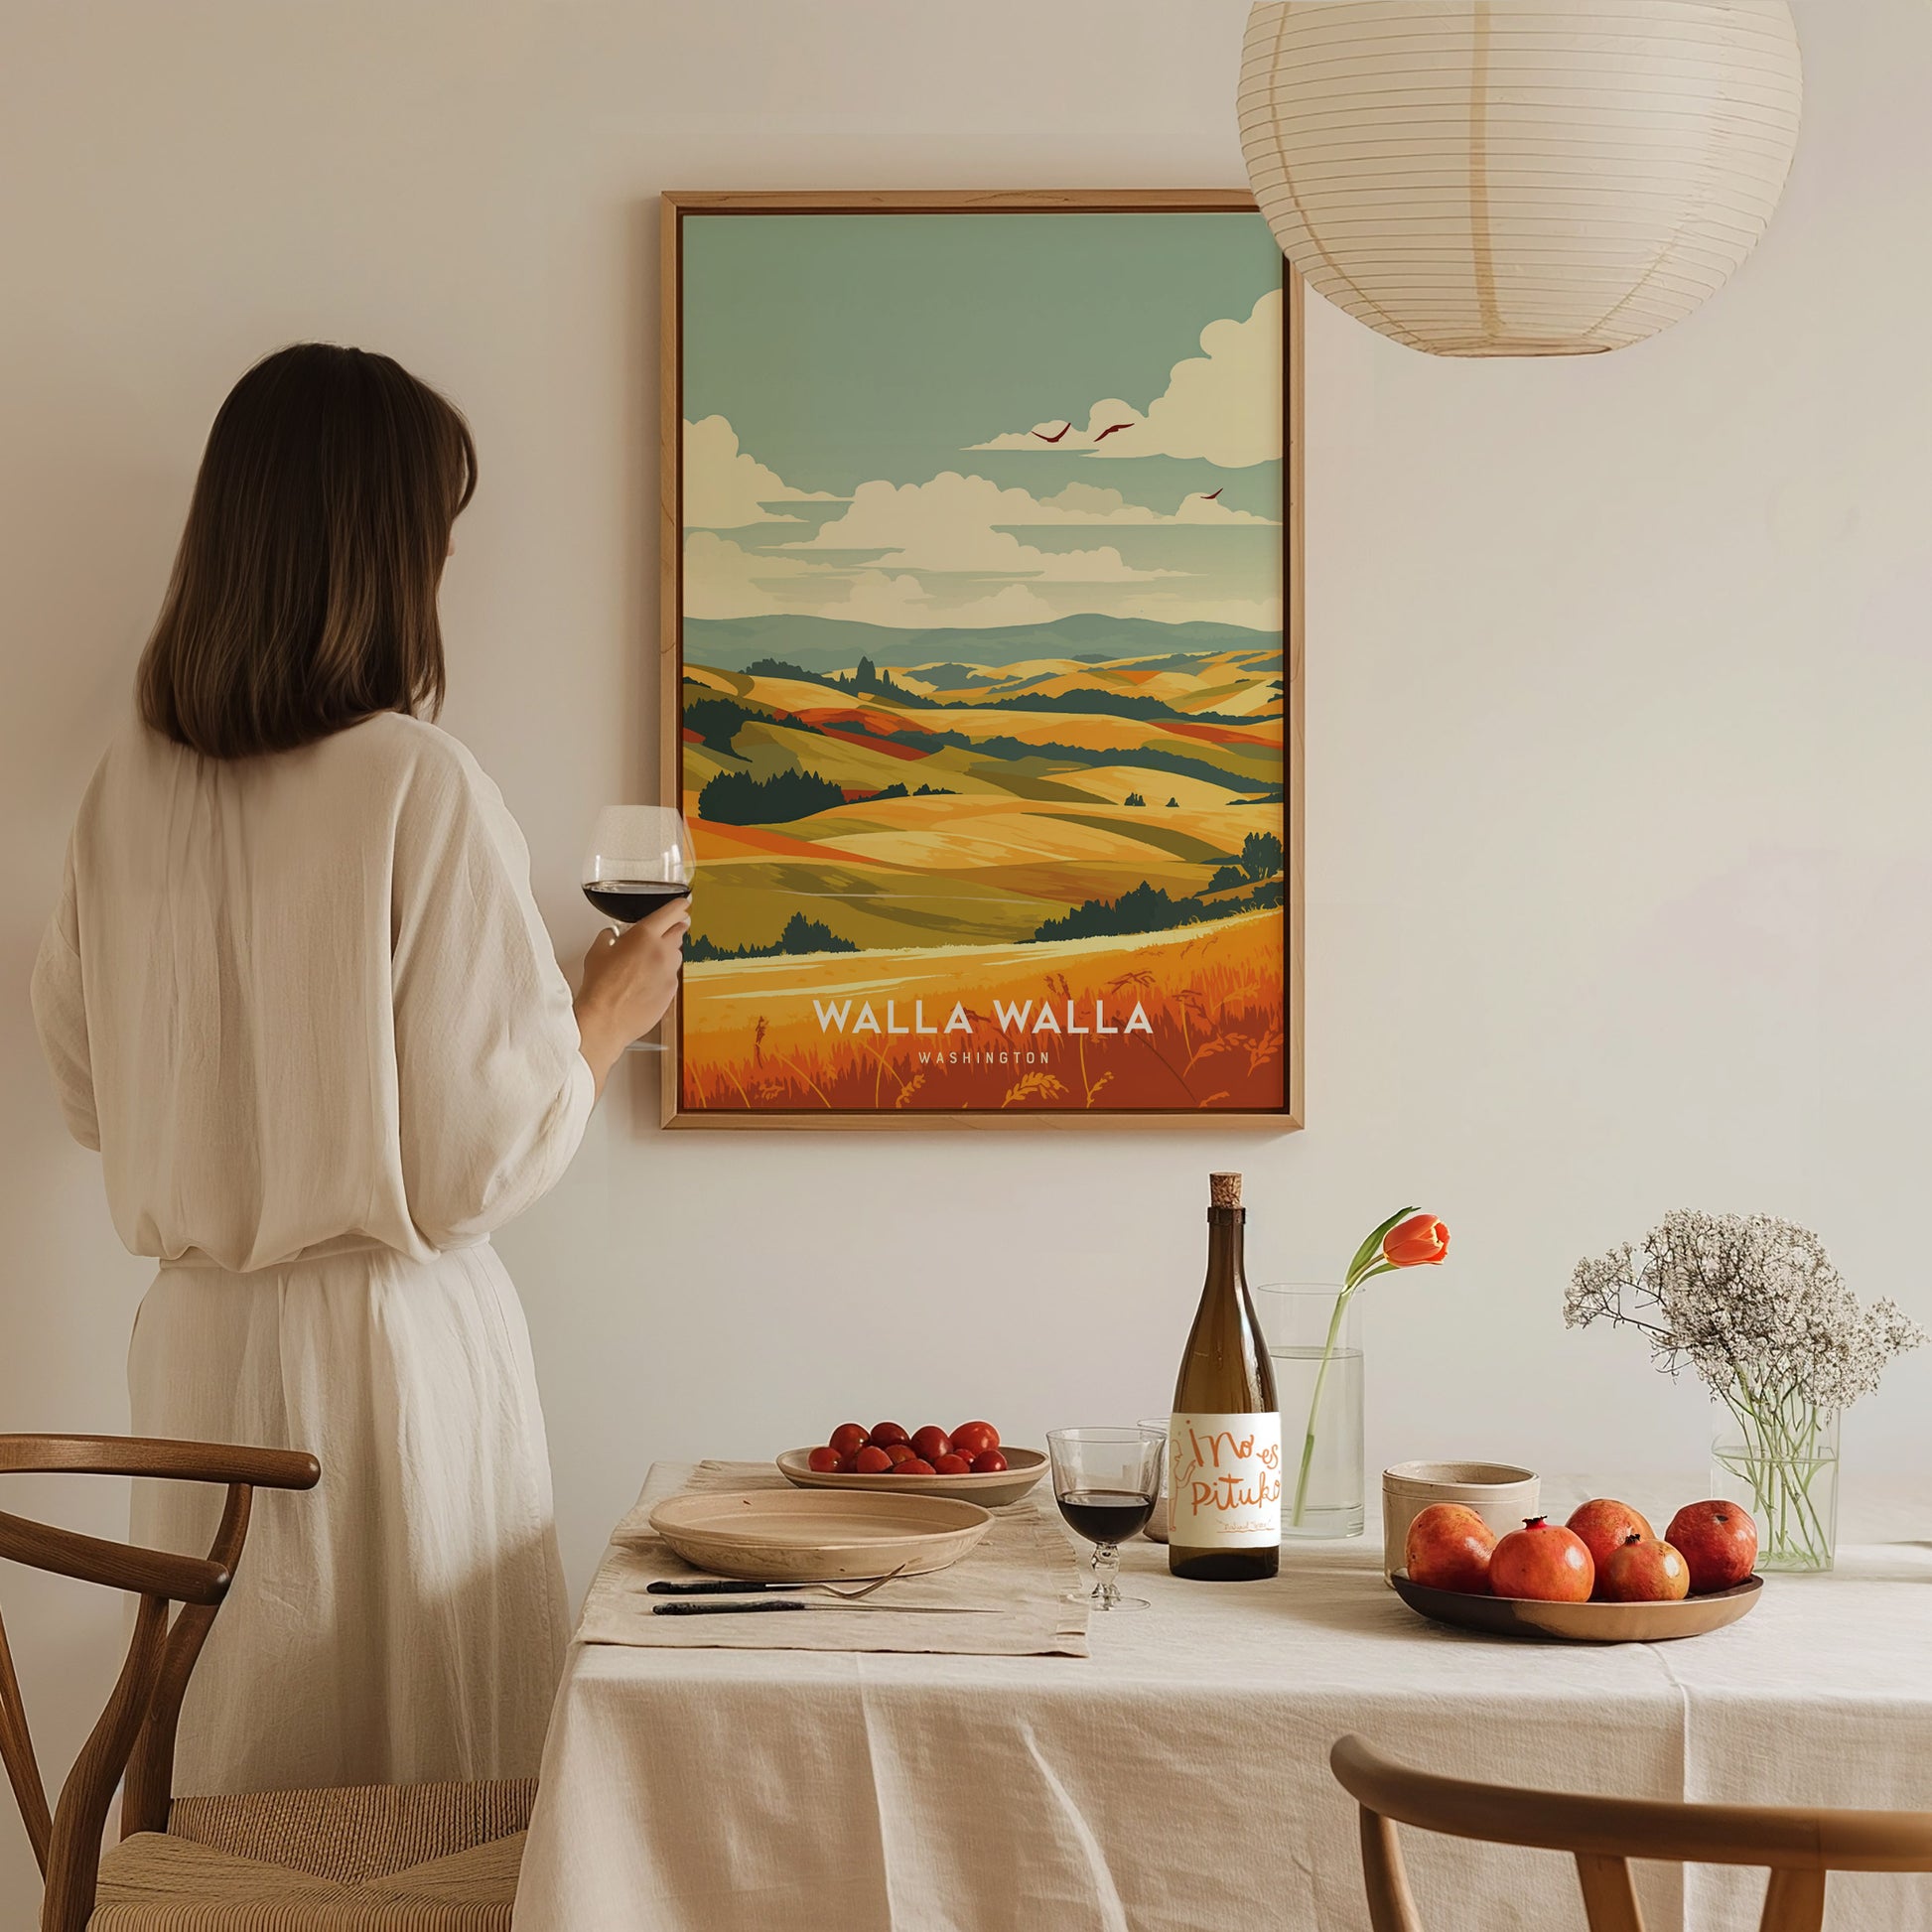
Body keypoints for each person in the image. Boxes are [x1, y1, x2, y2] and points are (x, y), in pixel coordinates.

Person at [29, 343, 686, 1793]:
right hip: (388, 1362)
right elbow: (470, 1166)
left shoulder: (123, 791)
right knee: (424, 1796)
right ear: (385, 550)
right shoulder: (415, 780)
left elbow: (86, 1092)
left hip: (195, 1354)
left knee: (236, 1776)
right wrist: (601, 1015)